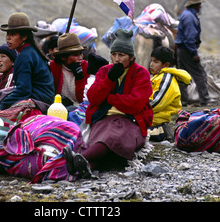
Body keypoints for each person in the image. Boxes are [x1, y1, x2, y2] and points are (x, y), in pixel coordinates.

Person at [63, 29, 153, 177]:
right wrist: (109, 79)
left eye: (121, 55)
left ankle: (82, 158)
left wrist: (109, 98)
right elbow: (93, 97)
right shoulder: (105, 71)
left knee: (112, 136)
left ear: (131, 57)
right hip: (104, 118)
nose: (116, 59)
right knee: (102, 137)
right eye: (113, 54)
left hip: (130, 121)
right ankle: (84, 167)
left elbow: (135, 104)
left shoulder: (141, 73)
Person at [148, 46, 191, 142]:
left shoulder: (166, 78)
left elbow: (156, 102)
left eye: (155, 62)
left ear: (166, 64)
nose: (151, 64)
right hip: (150, 118)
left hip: (157, 122)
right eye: (151, 61)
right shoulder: (158, 76)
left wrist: (134, 108)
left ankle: (165, 133)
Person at [175, 0, 210, 106]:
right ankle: (205, 100)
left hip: (181, 50)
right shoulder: (190, 17)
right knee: (200, 74)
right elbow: (190, 38)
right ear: (196, 5)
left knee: (182, 77)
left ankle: (183, 102)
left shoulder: (185, 15)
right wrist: (194, 53)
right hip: (187, 50)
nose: (201, 7)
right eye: (200, 5)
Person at [50, 33, 89, 110]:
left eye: (81, 54)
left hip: (81, 108)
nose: (80, 58)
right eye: (75, 55)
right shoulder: (53, 67)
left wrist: (79, 77)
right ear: (63, 57)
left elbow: (82, 99)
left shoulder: (86, 66)